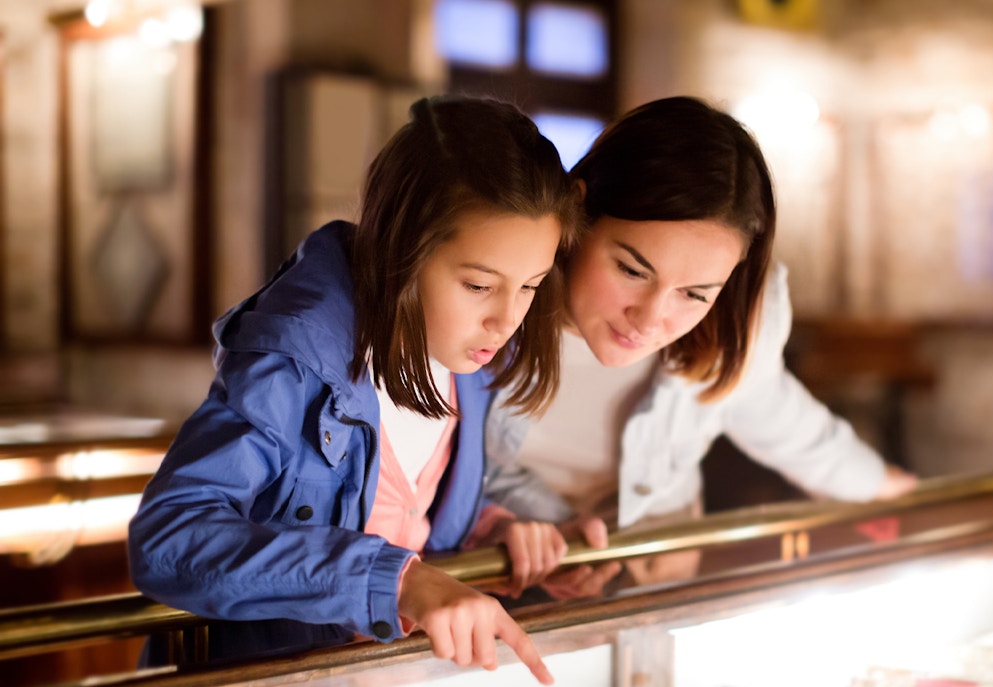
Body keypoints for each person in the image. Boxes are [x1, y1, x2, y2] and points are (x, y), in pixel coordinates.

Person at [127, 95, 582, 684]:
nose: (507, 320)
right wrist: (393, 581)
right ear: (402, 249)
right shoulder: (295, 363)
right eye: (477, 285)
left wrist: (493, 531)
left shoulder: (474, 364)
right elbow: (169, 539)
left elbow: (405, 516)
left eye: (530, 286)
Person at [484, 96, 918, 595]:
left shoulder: (733, 324)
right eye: (631, 270)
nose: (650, 319)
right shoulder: (491, 302)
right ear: (578, 211)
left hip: (655, 581)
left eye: (694, 294)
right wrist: (540, 528)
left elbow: (780, 418)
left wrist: (883, 486)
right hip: (499, 574)